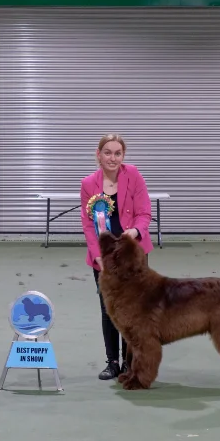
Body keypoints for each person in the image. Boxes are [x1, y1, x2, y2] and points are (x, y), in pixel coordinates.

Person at [81, 133, 152, 381]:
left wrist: (135, 230)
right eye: (108, 152)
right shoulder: (88, 183)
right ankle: (112, 362)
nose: (113, 158)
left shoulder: (133, 175)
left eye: (118, 153)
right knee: (109, 310)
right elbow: (89, 226)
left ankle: (130, 363)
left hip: (133, 255)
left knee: (134, 310)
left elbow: (144, 213)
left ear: (123, 156)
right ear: (98, 155)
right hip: (105, 259)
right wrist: (98, 256)